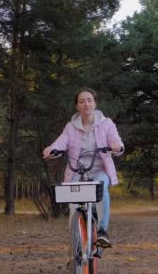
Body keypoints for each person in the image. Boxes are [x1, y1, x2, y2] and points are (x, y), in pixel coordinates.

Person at [43, 88, 124, 248]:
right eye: (82, 101)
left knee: (102, 186)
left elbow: (117, 142)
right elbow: (61, 142)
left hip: (99, 169)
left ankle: (102, 231)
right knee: (73, 207)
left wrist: (116, 146)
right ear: (77, 106)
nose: (86, 104)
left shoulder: (106, 123)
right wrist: (51, 149)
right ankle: (77, 249)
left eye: (89, 100)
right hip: (77, 171)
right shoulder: (70, 127)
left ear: (95, 103)